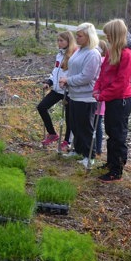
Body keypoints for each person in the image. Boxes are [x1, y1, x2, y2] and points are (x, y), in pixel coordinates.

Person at [93, 18, 131, 182]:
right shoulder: (112, 52)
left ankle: (117, 169)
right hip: (112, 98)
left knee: (118, 135)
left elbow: (121, 82)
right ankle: (111, 163)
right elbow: (103, 73)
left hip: (121, 100)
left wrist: (103, 95)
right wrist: (97, 88)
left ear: (116, 34)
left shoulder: (127, 55)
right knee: (111, 132)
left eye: (109, 34)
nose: (107, 38)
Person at [58, 23, 101, 167]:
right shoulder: (79, 50)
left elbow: (86, 77)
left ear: (89, 36)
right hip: (74, 95)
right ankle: (78, 150)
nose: (77, 38)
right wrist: (66, 80)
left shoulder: (93, 53)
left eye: (80, 35)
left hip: (86, 97)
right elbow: (72, 69)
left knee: (85, 128)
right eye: (77, 35)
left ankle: (90, 155)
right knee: (75, 126)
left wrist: (68, 80)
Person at [37, 30, 78, 149]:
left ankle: (67, 141)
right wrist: (49, 82)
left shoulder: (74, 55)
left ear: (68, 41)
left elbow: (74, 73)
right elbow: (55, 71)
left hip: (68, 90)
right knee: (41, 107)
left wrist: (68, 82)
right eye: (58, 40)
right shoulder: (59, 54)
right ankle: (52, 134)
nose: (59, 43)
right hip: (56, 89)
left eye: (61, 40)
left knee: (69, 118)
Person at [94, 39, 108, 157]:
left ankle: (97, 148)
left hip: (99, 98)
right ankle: (97, 148)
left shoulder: (101, 61)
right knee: (97, 123)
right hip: (99, 97)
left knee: (96, 124)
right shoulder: (103, 61)